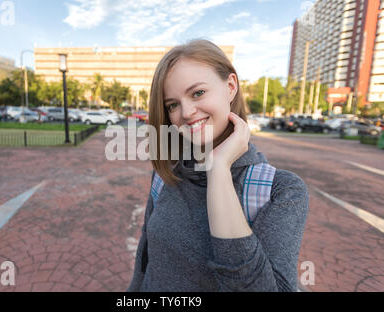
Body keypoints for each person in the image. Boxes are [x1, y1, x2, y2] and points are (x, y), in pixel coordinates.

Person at [127, 39, 309, 292]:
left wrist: (220, 169)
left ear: (231, 86)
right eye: (173, 104)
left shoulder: (281, 191)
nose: (187, 112)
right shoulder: (167, 174)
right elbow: (146, 263)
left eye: (198, 93)